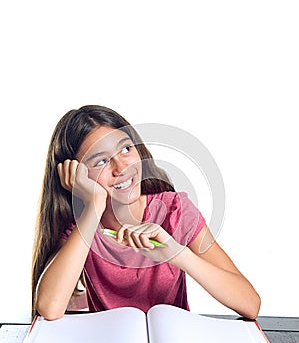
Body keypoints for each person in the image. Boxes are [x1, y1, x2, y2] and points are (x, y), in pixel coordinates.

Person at [32, 105, 261, 321]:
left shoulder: (174, 211)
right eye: (101, 161)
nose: (121, 168)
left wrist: (177, 254)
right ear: (76, 176)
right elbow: (50, 308)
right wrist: (94, 207)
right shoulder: (81, 229)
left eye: (125, 149)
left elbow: (250, 304)